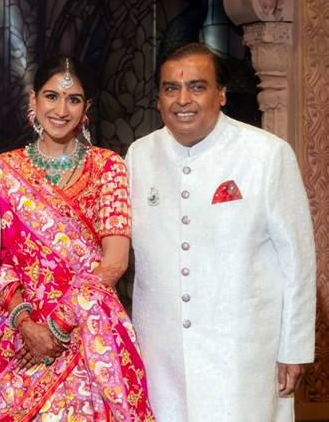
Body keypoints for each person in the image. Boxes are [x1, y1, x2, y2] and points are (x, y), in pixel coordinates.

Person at [126, 42, 316, 421]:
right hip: (161, 355)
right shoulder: (139, 155)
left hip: (243, 353)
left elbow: (298, 258)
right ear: (158, 99)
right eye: (170, 88)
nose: (183, 100)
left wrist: (294, 347)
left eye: (197, 87)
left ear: (222, 94)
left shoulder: (265, 154)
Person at [0, 56, 155, 421]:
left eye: (73, 99)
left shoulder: (108, 167)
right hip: (15, 332)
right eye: (51, 96)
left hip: (87, 327)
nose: (61, 109)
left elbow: (114, 261)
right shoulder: (1, 172)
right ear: (33, 101)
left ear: (86, 109)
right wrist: (26, 323)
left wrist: (58, 324)